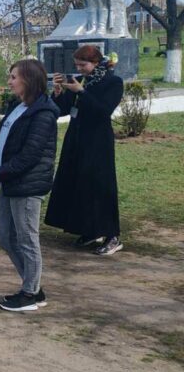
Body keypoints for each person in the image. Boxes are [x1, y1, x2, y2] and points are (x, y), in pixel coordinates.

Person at [0, 59, 59, 312]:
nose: (9, 81)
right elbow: (6, 142)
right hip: (10, 181)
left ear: (29, 79)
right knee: (5, 237)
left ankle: (29, 294)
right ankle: (33, 287)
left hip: (27, 186)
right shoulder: (18, 107)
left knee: (27, 240)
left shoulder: (43, 113)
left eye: (14, 77)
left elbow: (29, 155)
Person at [45, 46, 125, 255]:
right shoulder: (82, 81)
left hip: (98, 141)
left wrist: (81, 91)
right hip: (76, 138)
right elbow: (62, 110)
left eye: (83, 65)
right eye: (77, 65)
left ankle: (112, 235)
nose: (79, 69)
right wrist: (58, 92)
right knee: (78, 183)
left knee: (99, 185)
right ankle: (89, 229)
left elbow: (103, 110)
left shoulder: (113, 82)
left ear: (96, 63)